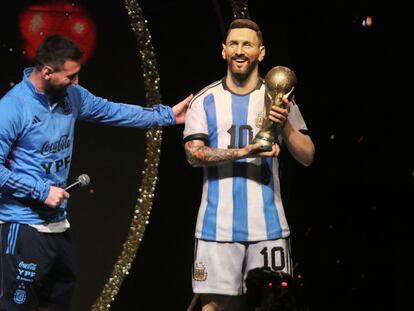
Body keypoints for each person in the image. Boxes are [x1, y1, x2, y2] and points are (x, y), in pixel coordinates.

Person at [0, 34, 192, 311]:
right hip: (23, 226)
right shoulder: (12, 108)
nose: (77, 82)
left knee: (58, 299)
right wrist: (40, 190)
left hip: (56, 226)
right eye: (71, 76)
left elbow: (112, 111)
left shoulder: (72, 96)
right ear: (47, 72)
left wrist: (167, 116)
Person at [183, 19, 315, 311]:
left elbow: (307, 156)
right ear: (223, 51)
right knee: (214, 307)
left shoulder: (279, 99)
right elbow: (193, 155)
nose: (239, 51)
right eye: (233, 44)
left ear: (261, 52)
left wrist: (287, 128)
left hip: (268, 228)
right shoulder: (205, 101)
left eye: (247, 44)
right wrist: (245, 150)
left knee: (274, 307)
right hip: (216, 228)